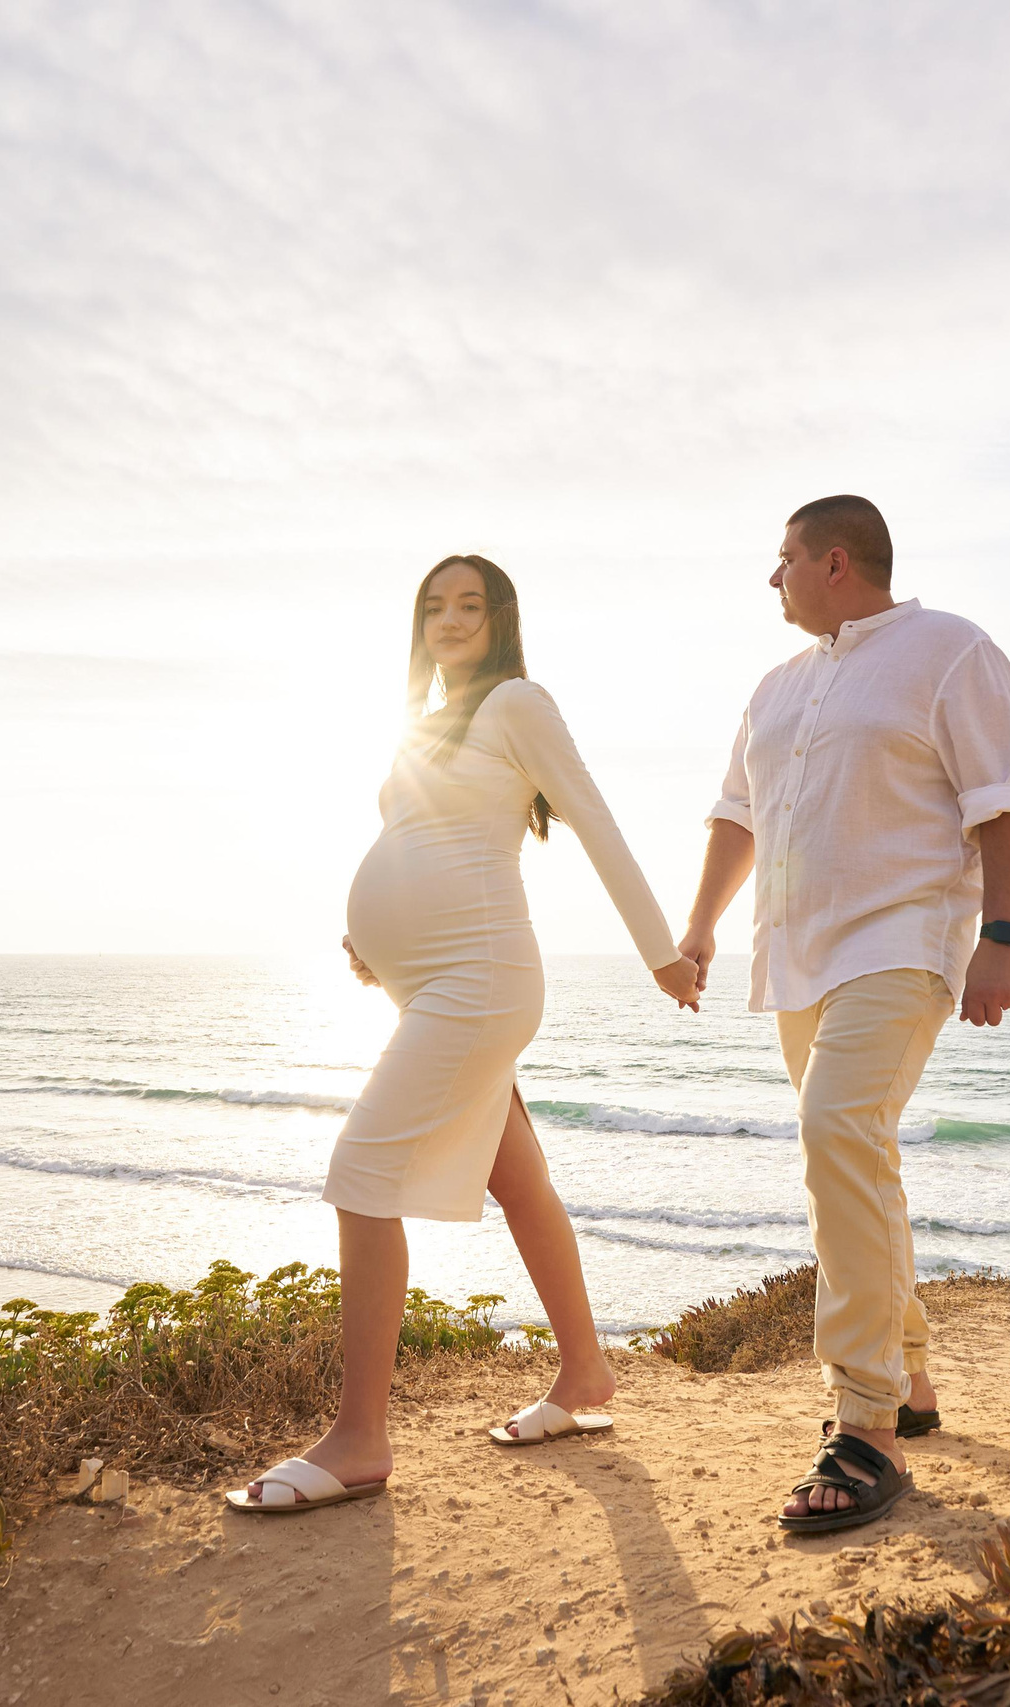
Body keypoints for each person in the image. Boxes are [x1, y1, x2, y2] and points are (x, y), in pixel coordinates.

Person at [228, 554, 700, 1513]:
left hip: (480, 980)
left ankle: (360, 1438)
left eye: (468, 605)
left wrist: (663, 954)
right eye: (433, 605)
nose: (449, 619)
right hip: (434, 982)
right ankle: (584, 1375)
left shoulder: (516, 702)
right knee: (517, 1176)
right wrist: (372, 936)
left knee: (362, 1170)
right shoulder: (424, 724)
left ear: (500, 619)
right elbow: (421, 841)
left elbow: (596, 820)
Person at [676, 495, 1010, 1535]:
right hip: (796, 956)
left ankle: (864, 1425)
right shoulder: (776, 686)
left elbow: (1007, 798)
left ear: (835, 562)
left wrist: (1002, 937)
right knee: (858, 1150)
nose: (772, 578)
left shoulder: (948, 651)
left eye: (782, 559)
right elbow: (735, 813)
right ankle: (912, 1379)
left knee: (835, 1126)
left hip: (903, 939)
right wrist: (699, 926)